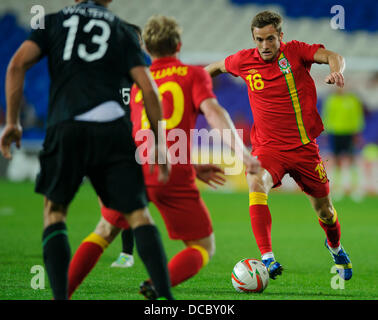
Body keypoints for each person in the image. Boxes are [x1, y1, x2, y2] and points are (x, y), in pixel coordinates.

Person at [67, 14, 261, 300]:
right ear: (179, 44)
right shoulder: (194, 75)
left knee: (104, 229)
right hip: (172, 174)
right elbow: (215, 113)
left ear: (147, 49)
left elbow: (143, 136)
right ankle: (159, 283)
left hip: (135, 170)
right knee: (202, 246)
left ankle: (61, 294)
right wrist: (244, 155)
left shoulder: (138, 86)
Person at [0, 0, 174, 300]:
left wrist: (13, 122)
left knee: (55, 213)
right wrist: (160, 143)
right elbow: (148, 88)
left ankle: (60, 297)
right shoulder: (121, 29)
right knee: (138, 214)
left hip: (65, 125)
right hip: (112, 130)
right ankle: (167, 302)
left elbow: (16, 64)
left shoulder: (50, 22)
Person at [205, 10, 352, 281]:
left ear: (280, 36)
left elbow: (335, 56)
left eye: (270, 39)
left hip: (304, 149)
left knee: (326, 212)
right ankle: (267, 258)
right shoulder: (243, 60)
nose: (264, 46)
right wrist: (193, 86)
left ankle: (335, 247)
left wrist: (335, 72)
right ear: (253, 39)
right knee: (255, 182)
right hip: (267, 149)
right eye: (259, 40)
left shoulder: (296, 52)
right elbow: (214, 67)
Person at [322, 87, 365, 200]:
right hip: (335, 132)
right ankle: (337, 188)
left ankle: (356, 188)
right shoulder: (331, 100)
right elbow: (327, 116)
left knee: (352, 159)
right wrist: (326, 132)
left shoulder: (353, 100)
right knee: (337, 160)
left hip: (349, 132)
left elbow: (357, 116)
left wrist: (357, 133)